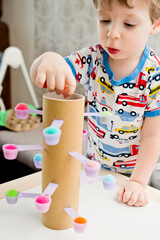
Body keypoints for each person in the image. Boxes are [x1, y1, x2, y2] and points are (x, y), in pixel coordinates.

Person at [30, 0, 160, 207]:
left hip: (133, 176)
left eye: (128, 25)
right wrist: (47, 59)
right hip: (93, 167)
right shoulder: (92, 59)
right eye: (105, 20)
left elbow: (153, 136)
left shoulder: (155, 76)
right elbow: (45, 73)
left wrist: (137, 182)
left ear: (155, 25)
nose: (112, 33)